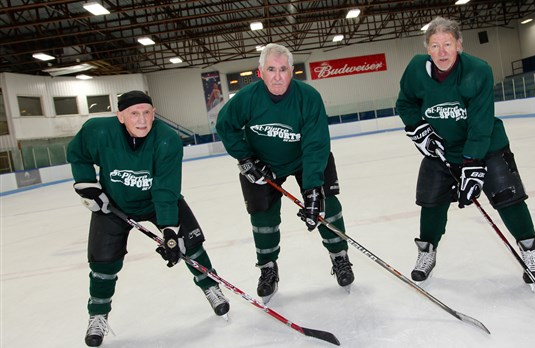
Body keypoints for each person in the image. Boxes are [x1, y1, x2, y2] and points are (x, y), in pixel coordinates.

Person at [67, 90, 230, 347]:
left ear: (154, 113)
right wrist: (87, 186)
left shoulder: (167, 140)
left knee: (190, 243)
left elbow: (165, 189)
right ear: (120, 116)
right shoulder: (97, 131)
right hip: (114, 204)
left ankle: (211, 288)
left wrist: (169, 231)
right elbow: (77, 154)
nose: (141, 120)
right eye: (134, 114)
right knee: (103, 263)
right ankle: (98, 315)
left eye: (146, 113)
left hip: (157, 201)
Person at [395, 17, 535, 285]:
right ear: (427, 48)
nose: (442, 52)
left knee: (507, 197)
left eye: (447, 44)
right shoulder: (416, 70)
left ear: (459, 45)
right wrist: (419, 128)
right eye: (435, 45)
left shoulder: (477, 71)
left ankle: (529, 247)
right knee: (430, 201)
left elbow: (481, 122)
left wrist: (473, 163)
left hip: (486, 145)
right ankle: (427, 251)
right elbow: (405, 104)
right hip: (442, 148)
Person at [216, 43, 354, 303]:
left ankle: (340, 257)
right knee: (262, 215)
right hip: (263, 163)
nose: (277, 75)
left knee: (326, 203)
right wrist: (246, 158)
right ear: (260, 72)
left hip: (305, 159)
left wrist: (313, 188)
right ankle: (267, 268)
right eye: (271, 69)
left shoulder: (308, 97)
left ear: (292, 71)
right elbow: (225, 126)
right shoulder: (246, 99)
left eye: (283, 69)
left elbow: (316, 144)